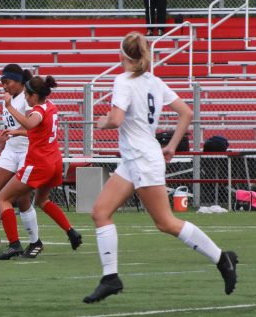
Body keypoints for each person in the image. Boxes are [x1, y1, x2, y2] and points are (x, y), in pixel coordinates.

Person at [83, 31, 238, 304]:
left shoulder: (123, 80)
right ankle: (110, 278)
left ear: (122, 55)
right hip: (136, 158)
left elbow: (117, 119)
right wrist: (172, 145)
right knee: (100, 212)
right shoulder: (154, 81)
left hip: (142, 158)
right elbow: (186, 112)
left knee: (165, 222)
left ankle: (221, 258)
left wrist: (102, 122)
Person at [0, 75, 82, 260]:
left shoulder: (38, 110)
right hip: (54, 162)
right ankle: (71, 232)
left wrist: (9, 106)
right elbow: (37, 130)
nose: (25, 97)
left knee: (3, 198)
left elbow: (31, 122)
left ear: (35, 96)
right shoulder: (50, 106)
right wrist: (17, 132)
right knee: (42, 201)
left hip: (38, 164)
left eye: (27, 94)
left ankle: (14, 244)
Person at [0, 64, 44, 258]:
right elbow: (8, 128)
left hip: (27, 152)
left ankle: (35, 241)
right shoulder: (9, 99)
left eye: (8, 82)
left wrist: (12, 113)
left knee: (22, 199)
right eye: (2, 82)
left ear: (19, 82)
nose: (4, 86)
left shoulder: (26, 100)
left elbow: (33, 129)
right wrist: (0, 148)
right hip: (11, 151)